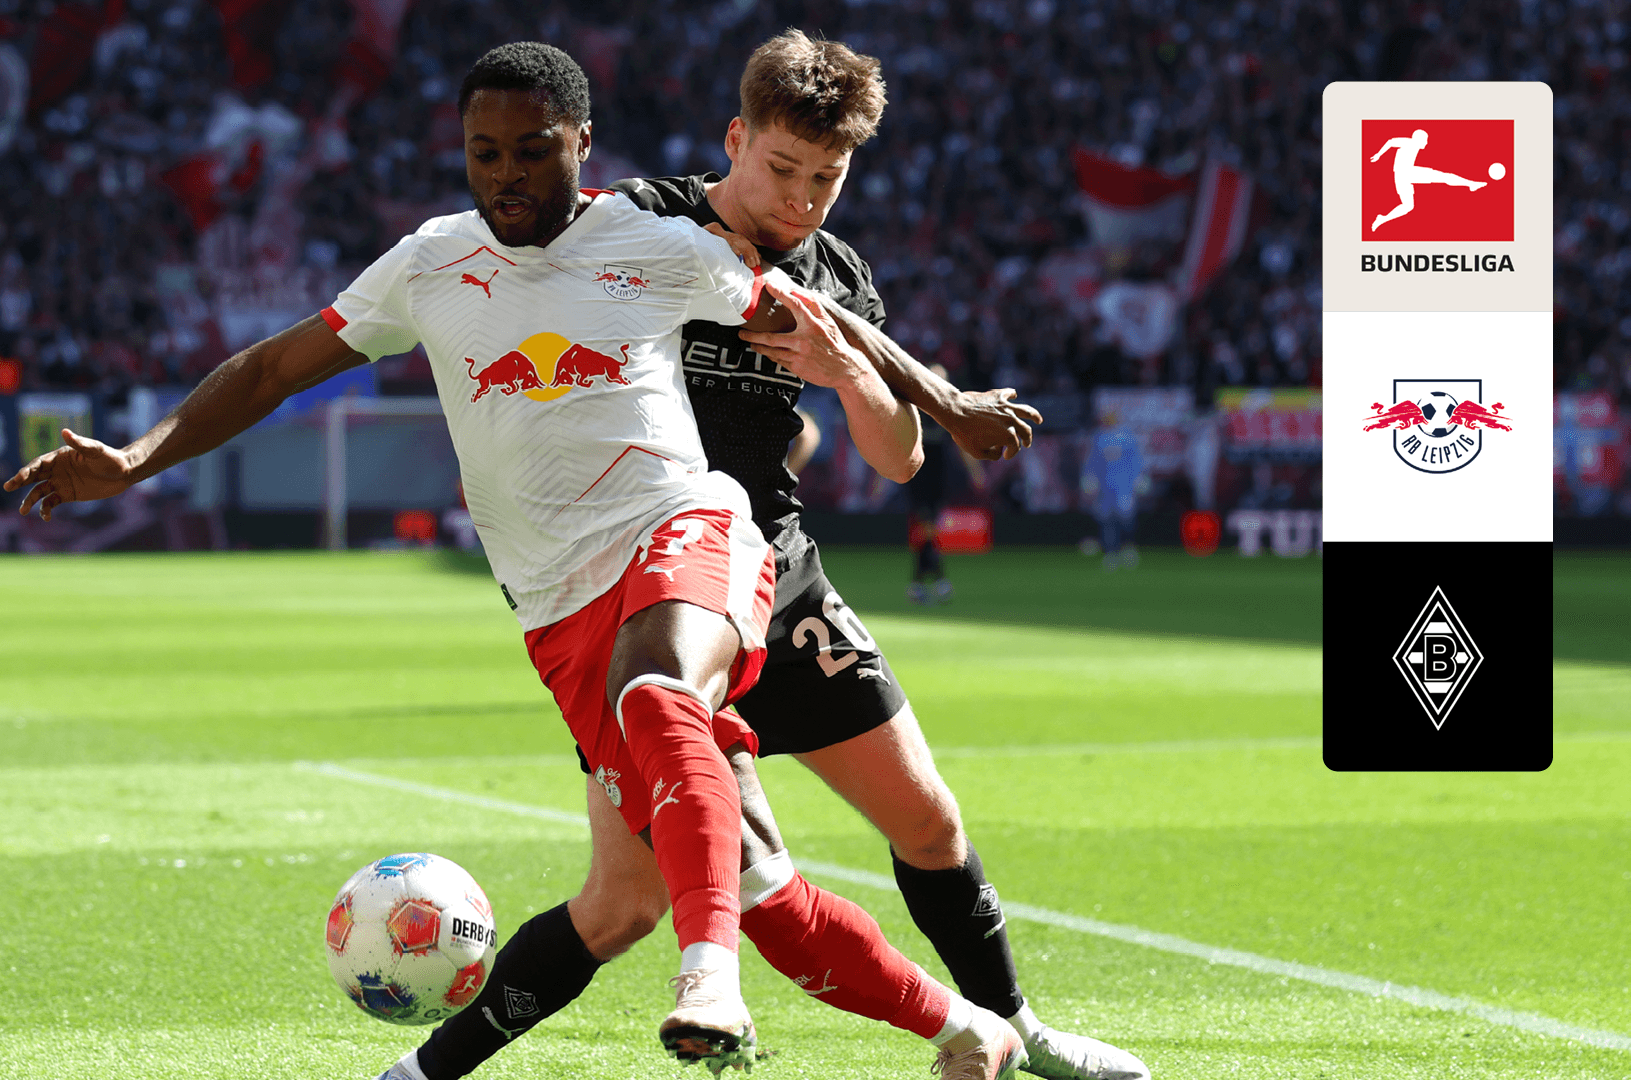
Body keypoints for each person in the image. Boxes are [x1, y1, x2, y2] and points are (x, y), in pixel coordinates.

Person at [7, 42, 1026, 1080]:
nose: (507, 174)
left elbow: (820, 317)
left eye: (533, 151)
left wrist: (949, 403)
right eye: (484, 152)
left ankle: (707, 977)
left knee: (660, 691)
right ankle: (971, 1030)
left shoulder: (652, 241)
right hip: (557, 606)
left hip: (687, 528)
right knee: (752, 893)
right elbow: (273, 369)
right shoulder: (429, 264)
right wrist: (135, 458)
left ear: (581, 145)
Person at [402, 30, 1148, 1080]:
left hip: (781, 577)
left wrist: (849, 374)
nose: (800, 200)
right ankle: (426, 1070)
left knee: (929, 821)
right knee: (622, 905)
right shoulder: (645, 220)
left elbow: (898, 459)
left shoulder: (837, 274)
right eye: (782, 169)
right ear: (735, 140)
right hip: (644, 587)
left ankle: (1018, 1032)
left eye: (826, 180)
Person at [905, 361, 988, 604]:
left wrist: (975, 471)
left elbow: (961, 441)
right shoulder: (914, 406)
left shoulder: (949, 409)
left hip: (939, 473)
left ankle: (920, 583)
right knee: (927, 526)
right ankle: (936, 581)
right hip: (918, 472)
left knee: (929, 529)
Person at [1082, 410, 1146, 572]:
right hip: (1105, 488)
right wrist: (1090, 478)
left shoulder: (1127, 437)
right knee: (1107, 520)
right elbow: (1093, 461)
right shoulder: (1098, 437)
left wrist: (1139, 478)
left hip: (1124, 486)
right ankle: (1111, 552)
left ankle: (1128, 548)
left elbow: (1135, 460)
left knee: (1126, 519)